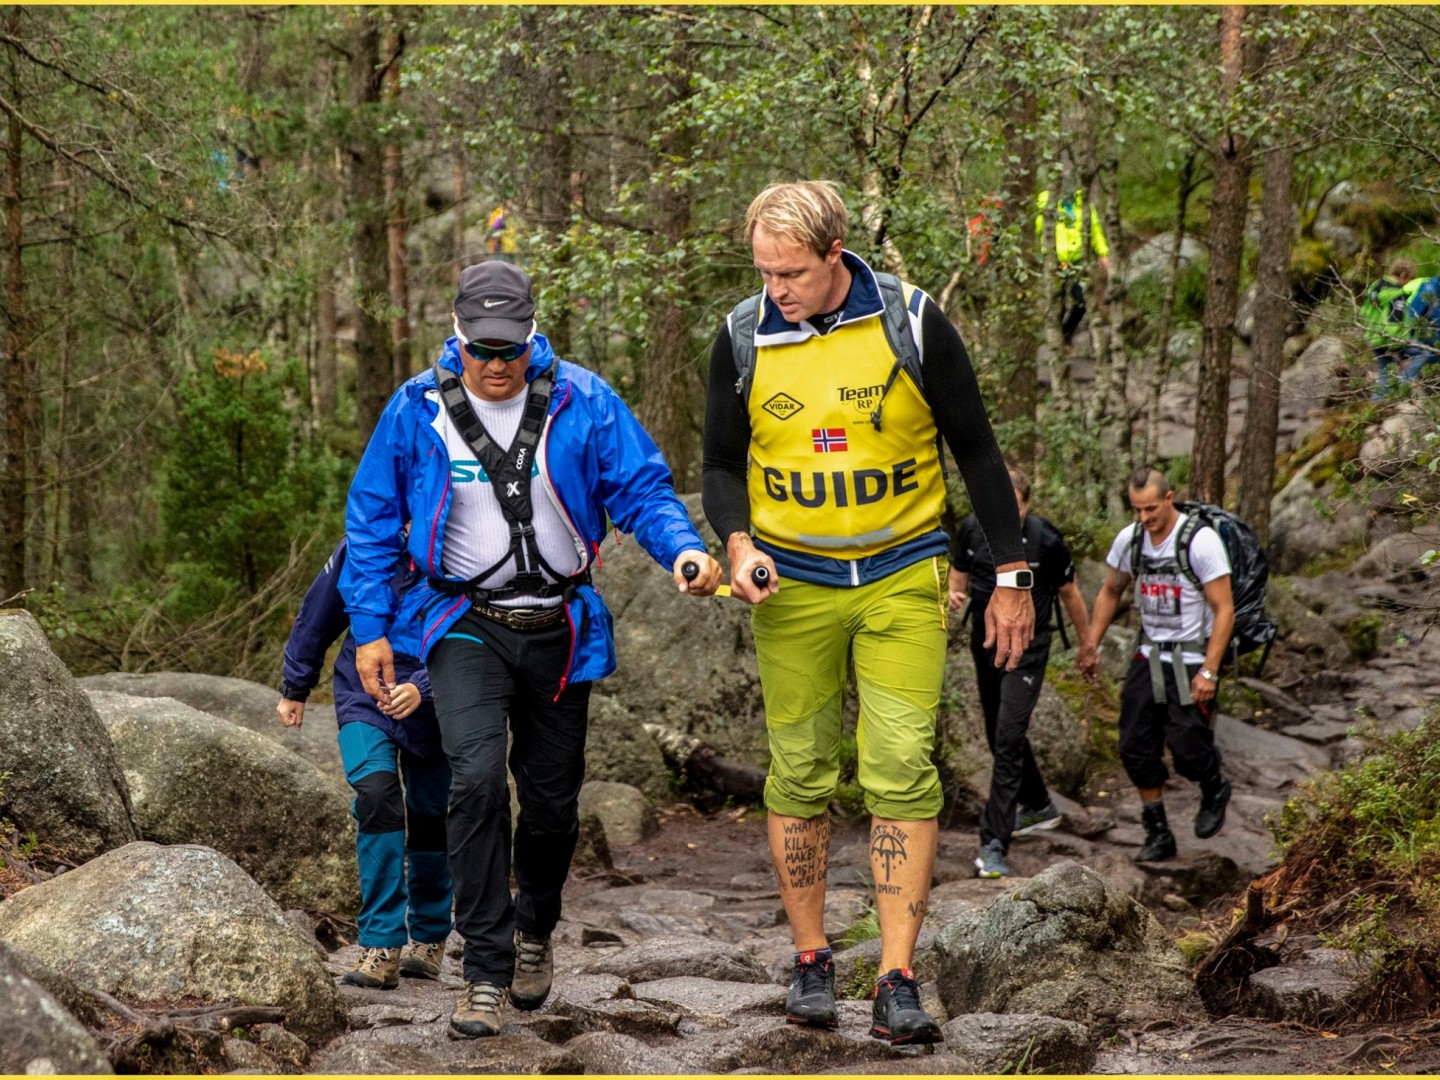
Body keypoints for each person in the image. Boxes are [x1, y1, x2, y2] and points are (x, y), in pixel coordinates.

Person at [341, 261, 721, 1039]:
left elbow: (643, 489)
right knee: (474, 783)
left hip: (559, 630)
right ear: (455, 334)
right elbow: (373, 523)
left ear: (532, 335)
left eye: (509, 349)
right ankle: (481, 969)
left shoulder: (584, 400)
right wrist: (373, 629)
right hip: (462, 624)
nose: (495, 364)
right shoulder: (416, 410)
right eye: (480, 349)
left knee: (550, 808)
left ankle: (534, 929)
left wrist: (681, 549)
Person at [702, 180, 1033, 1046]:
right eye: (767, 272)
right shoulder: (743, 336)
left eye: (795, 273)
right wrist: (737, 544)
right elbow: (720, 464)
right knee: (800, 770)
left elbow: (978, 451)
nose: (779, 289)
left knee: (899, 769)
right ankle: (812, 960)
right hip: (795, 583)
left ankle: (896, 976)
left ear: (836, 254)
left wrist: (1012, 575)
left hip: (900, 573)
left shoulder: (912, 321)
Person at [278, 536, 453, 990]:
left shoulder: (467, 537)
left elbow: (477, 634)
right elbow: (318, 613)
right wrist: (295, 685)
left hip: (436, 699)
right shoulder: (364, 542)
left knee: (432, 814)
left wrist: (426, 689)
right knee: (377, 795)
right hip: (364, 694)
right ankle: (381, 944)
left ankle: (431, 935)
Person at [948, 464, 1097, 879]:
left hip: (1029, 650)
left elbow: (1070, 594)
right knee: (1001, 734)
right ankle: (1039, 805)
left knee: (1008, 737)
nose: (1003, 514)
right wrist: (954, 594)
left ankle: (993, 842)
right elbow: (958, 574)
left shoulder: (1045, 539)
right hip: (986, 644)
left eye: (1012, 507)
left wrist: (1088, 647)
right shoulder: (972, 530)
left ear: (1027, 505)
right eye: (995, 505)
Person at [1079, 466, 1235, 863]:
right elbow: (1111, 591)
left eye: (1150, 508)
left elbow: (1224, 609)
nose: (1144, 518)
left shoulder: (1200, 541)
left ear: (1169, 498)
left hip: (1191, 657)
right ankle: (1158, 832)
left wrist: (1210, 672)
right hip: (1148, 655)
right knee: (1134, 746)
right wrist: (1091, 645)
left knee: (1187, 750)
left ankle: (1214, 785)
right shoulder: (1130, 541)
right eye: (1136, 510)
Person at [1035, 188, 1111, 345]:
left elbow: (1095, 229)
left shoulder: (1082, 202)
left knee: (1082, 302)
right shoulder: (1046, 199)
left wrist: (1102, 253)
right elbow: (1037, 230)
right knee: (1058, 303)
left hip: (1076, 263)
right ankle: (1056, 342)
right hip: (1055, 263)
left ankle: (1065, 334)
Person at [1361, 257, 1416, 398]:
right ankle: (1402, 389)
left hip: (1375, 336)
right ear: (1403, 276)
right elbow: (1395, 322)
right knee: (1424, 354)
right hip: (1390, 339)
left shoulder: (1376, 286)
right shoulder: (1397, 294)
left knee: (1383, 371)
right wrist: (1400, 346)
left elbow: (1365, 312)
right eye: (1409, 279)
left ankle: (1377, 403)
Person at [1400, 273, 1440, 386]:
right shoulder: (1429, 290)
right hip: (1416, 335)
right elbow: (1412, 317)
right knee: (1428, 354)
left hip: (1431, 334)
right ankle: (1403, 384)